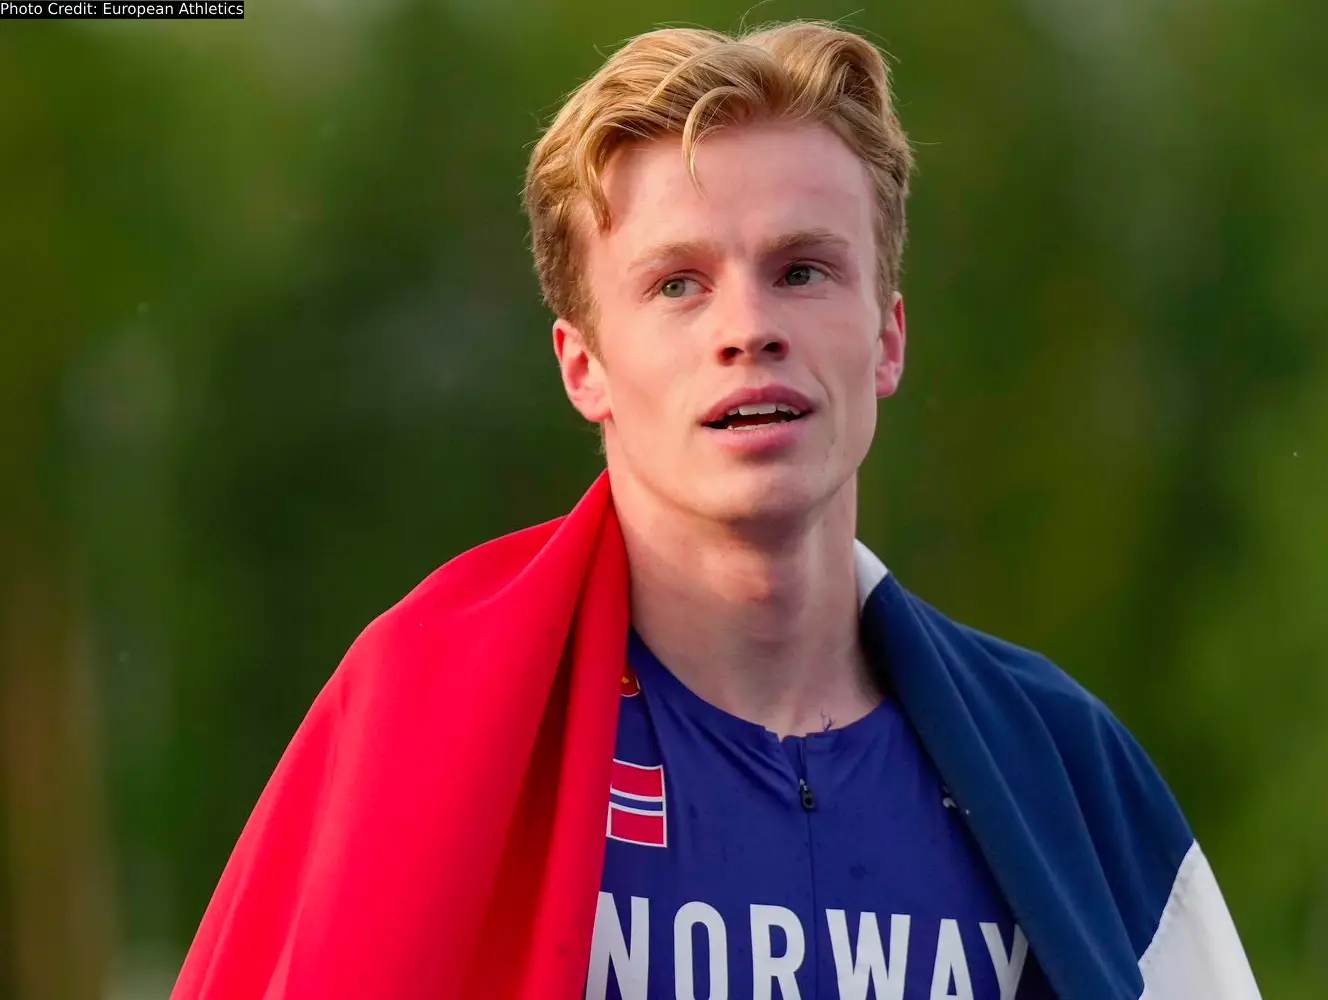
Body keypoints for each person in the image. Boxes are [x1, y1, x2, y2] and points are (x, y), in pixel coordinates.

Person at [173, 20, 1263, 1000]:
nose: (746, 327)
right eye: (677, 285)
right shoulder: (412, 721)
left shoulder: (1068, 775)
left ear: (886, 338)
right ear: (582, 364)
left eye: (800, 270)